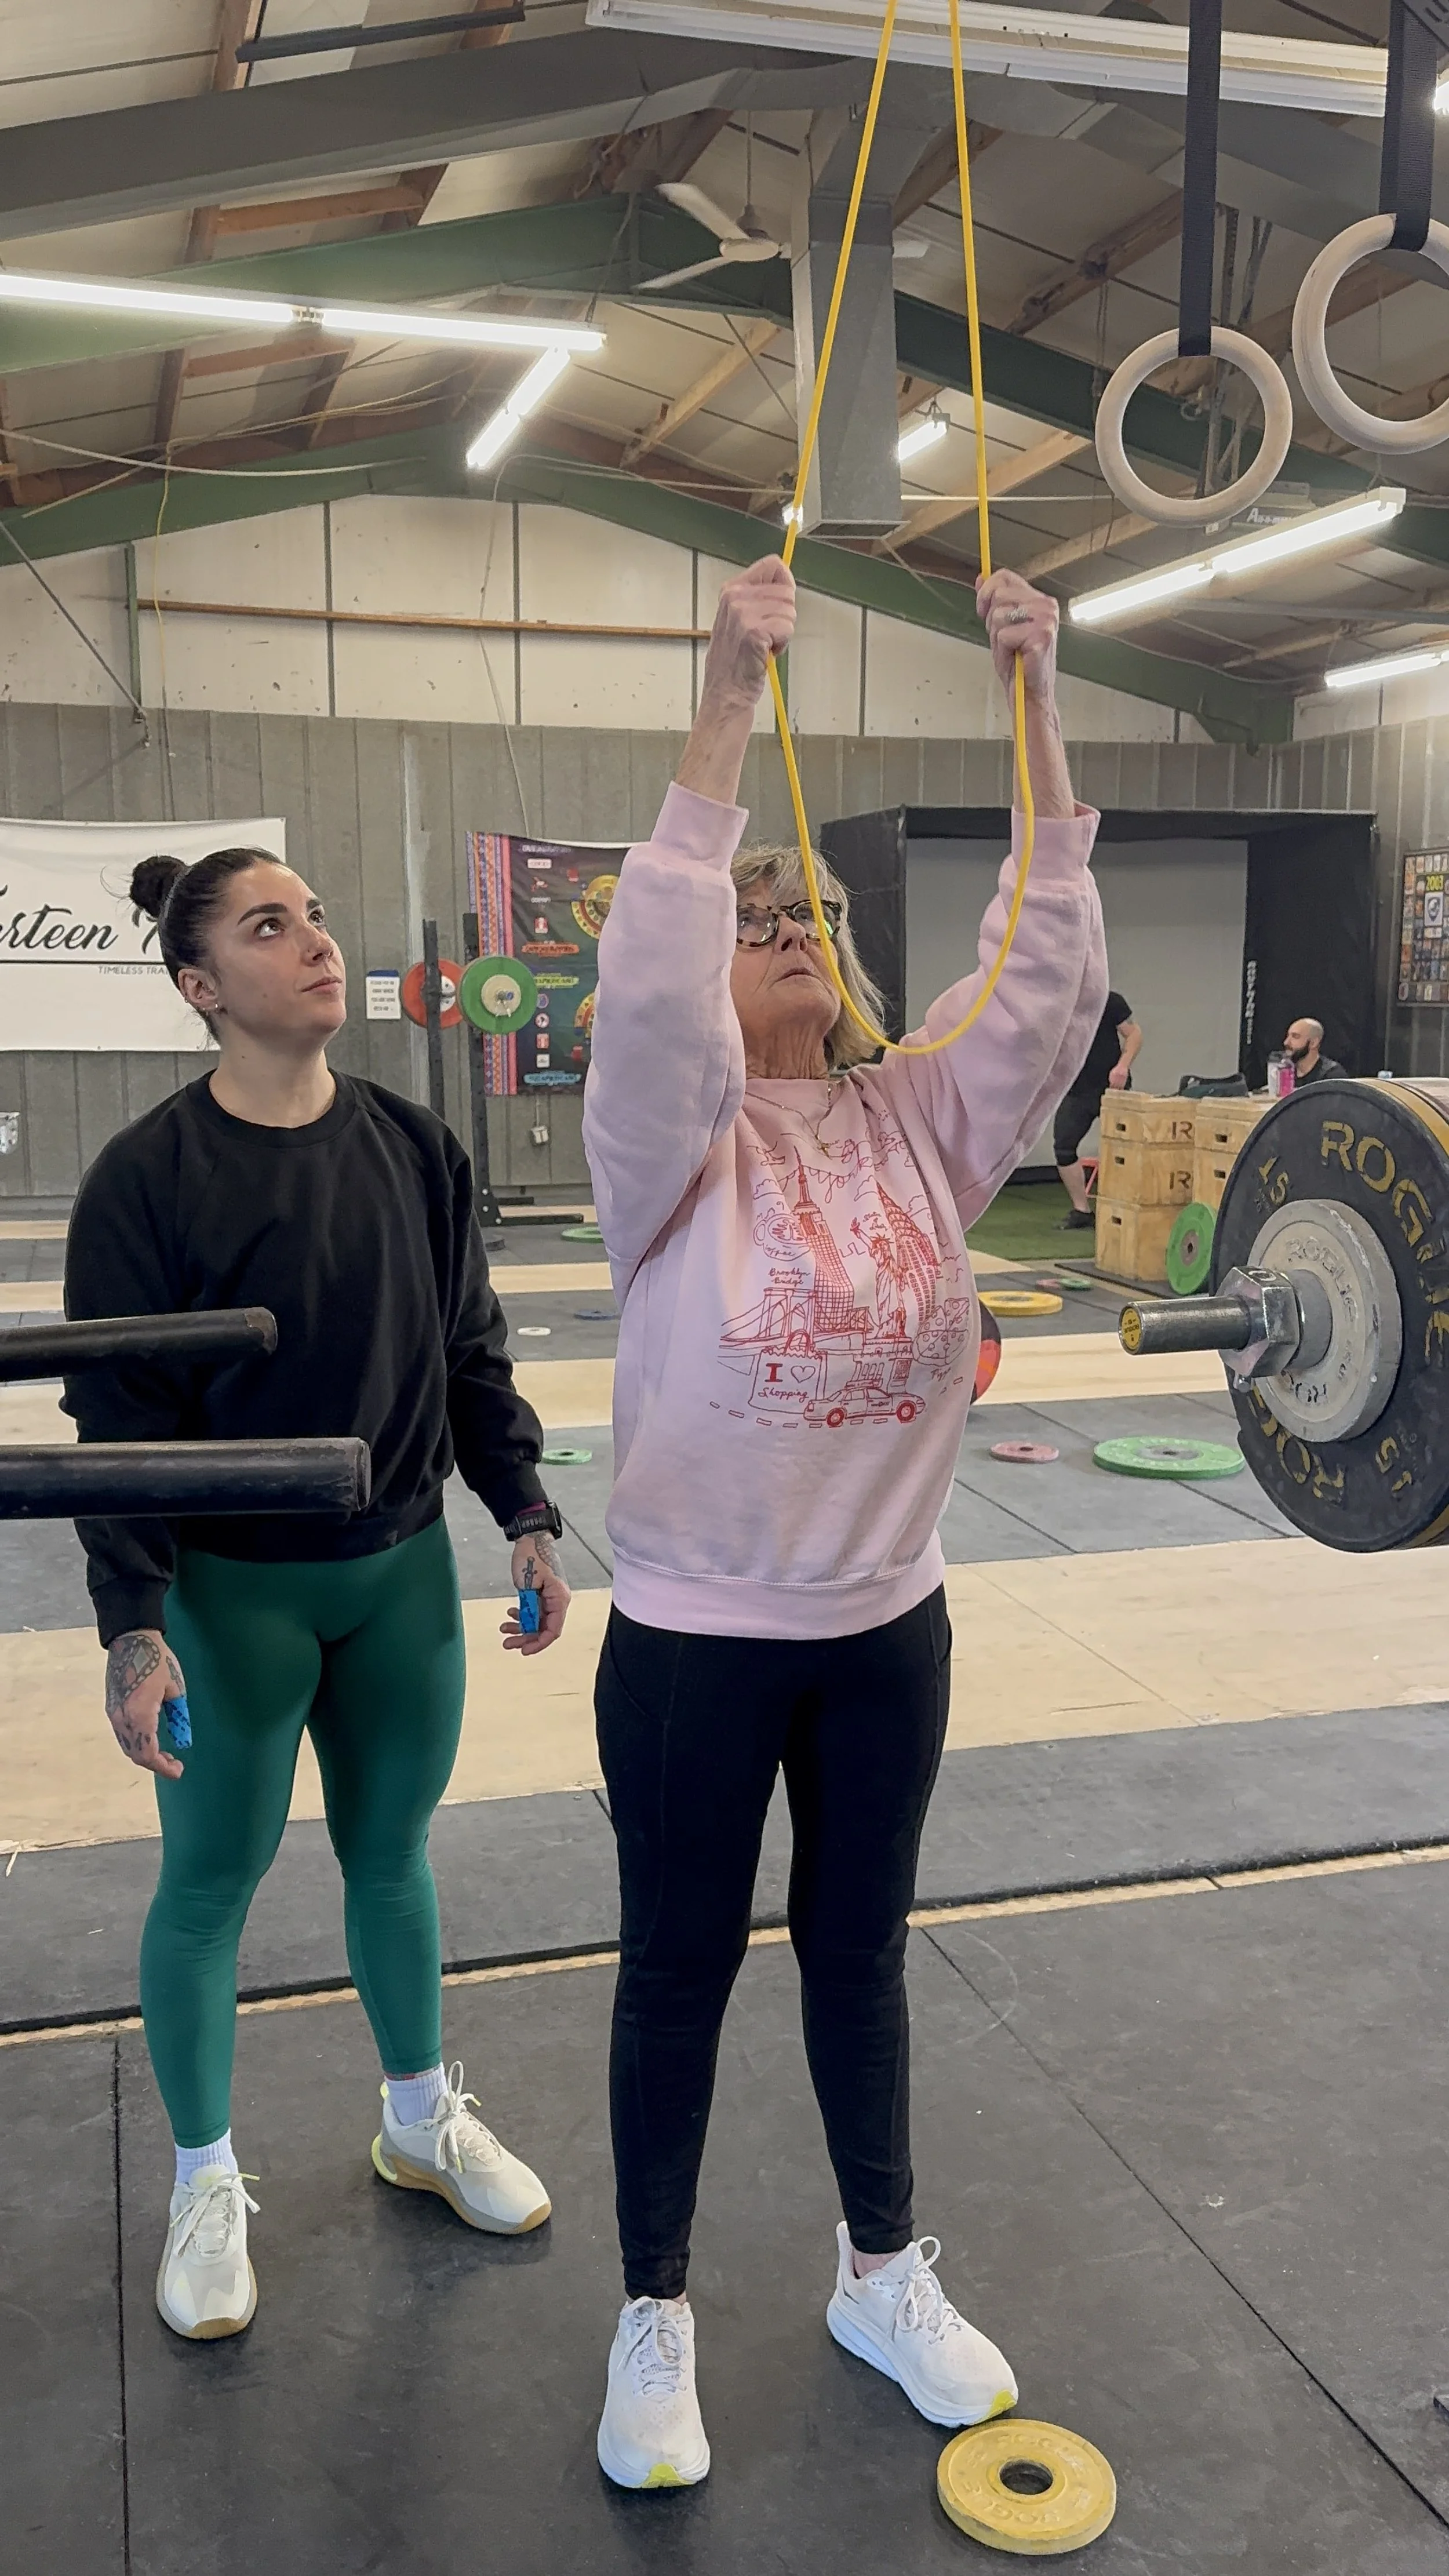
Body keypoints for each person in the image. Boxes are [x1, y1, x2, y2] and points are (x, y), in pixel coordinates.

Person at [581, 556, 1108, 2490]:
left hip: (889, 1628)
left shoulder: (920, 1122)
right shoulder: (666, 1148)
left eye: (807, 910)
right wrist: (724, 695)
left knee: (863, 1949)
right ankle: (653, 2311)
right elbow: (646, 991)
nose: (785, 927)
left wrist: (1037, 693)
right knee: (677, 1965)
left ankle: (878, 2267)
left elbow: (1047, 966)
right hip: (701, 1644)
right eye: (758, 915)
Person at [64, 844, 572, 2343]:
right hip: (232, 1595)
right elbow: (119, 1427)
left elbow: (472, 1353)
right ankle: (204, 2180)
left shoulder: (415, 1149)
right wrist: (133, 1626)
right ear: (201, 985)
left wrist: (527, 1515)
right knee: (208, 1887)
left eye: (317, 913)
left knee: (392, 1854)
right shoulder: (142, 1182)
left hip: (399, 1577)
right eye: (268, 926)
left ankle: (416, 2119)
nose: (314, 942)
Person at [1054, 988, 1140, 1227]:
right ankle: (1082, 1211)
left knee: (1124, 1149)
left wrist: (1122, 1066)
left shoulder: (1109, 1000)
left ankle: (1129, 1208)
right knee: (1063, 1146)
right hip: (1077, 1090)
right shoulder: (1059, 1004)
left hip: (1111, 1087)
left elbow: (1134, 1035)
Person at [1283, 1016, 1345, 1085]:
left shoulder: (1332, 1075)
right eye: (1288, 1036)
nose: (1286, 1042)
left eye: (1295, 1036)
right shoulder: (1284, 1072)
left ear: (1313, 1043)